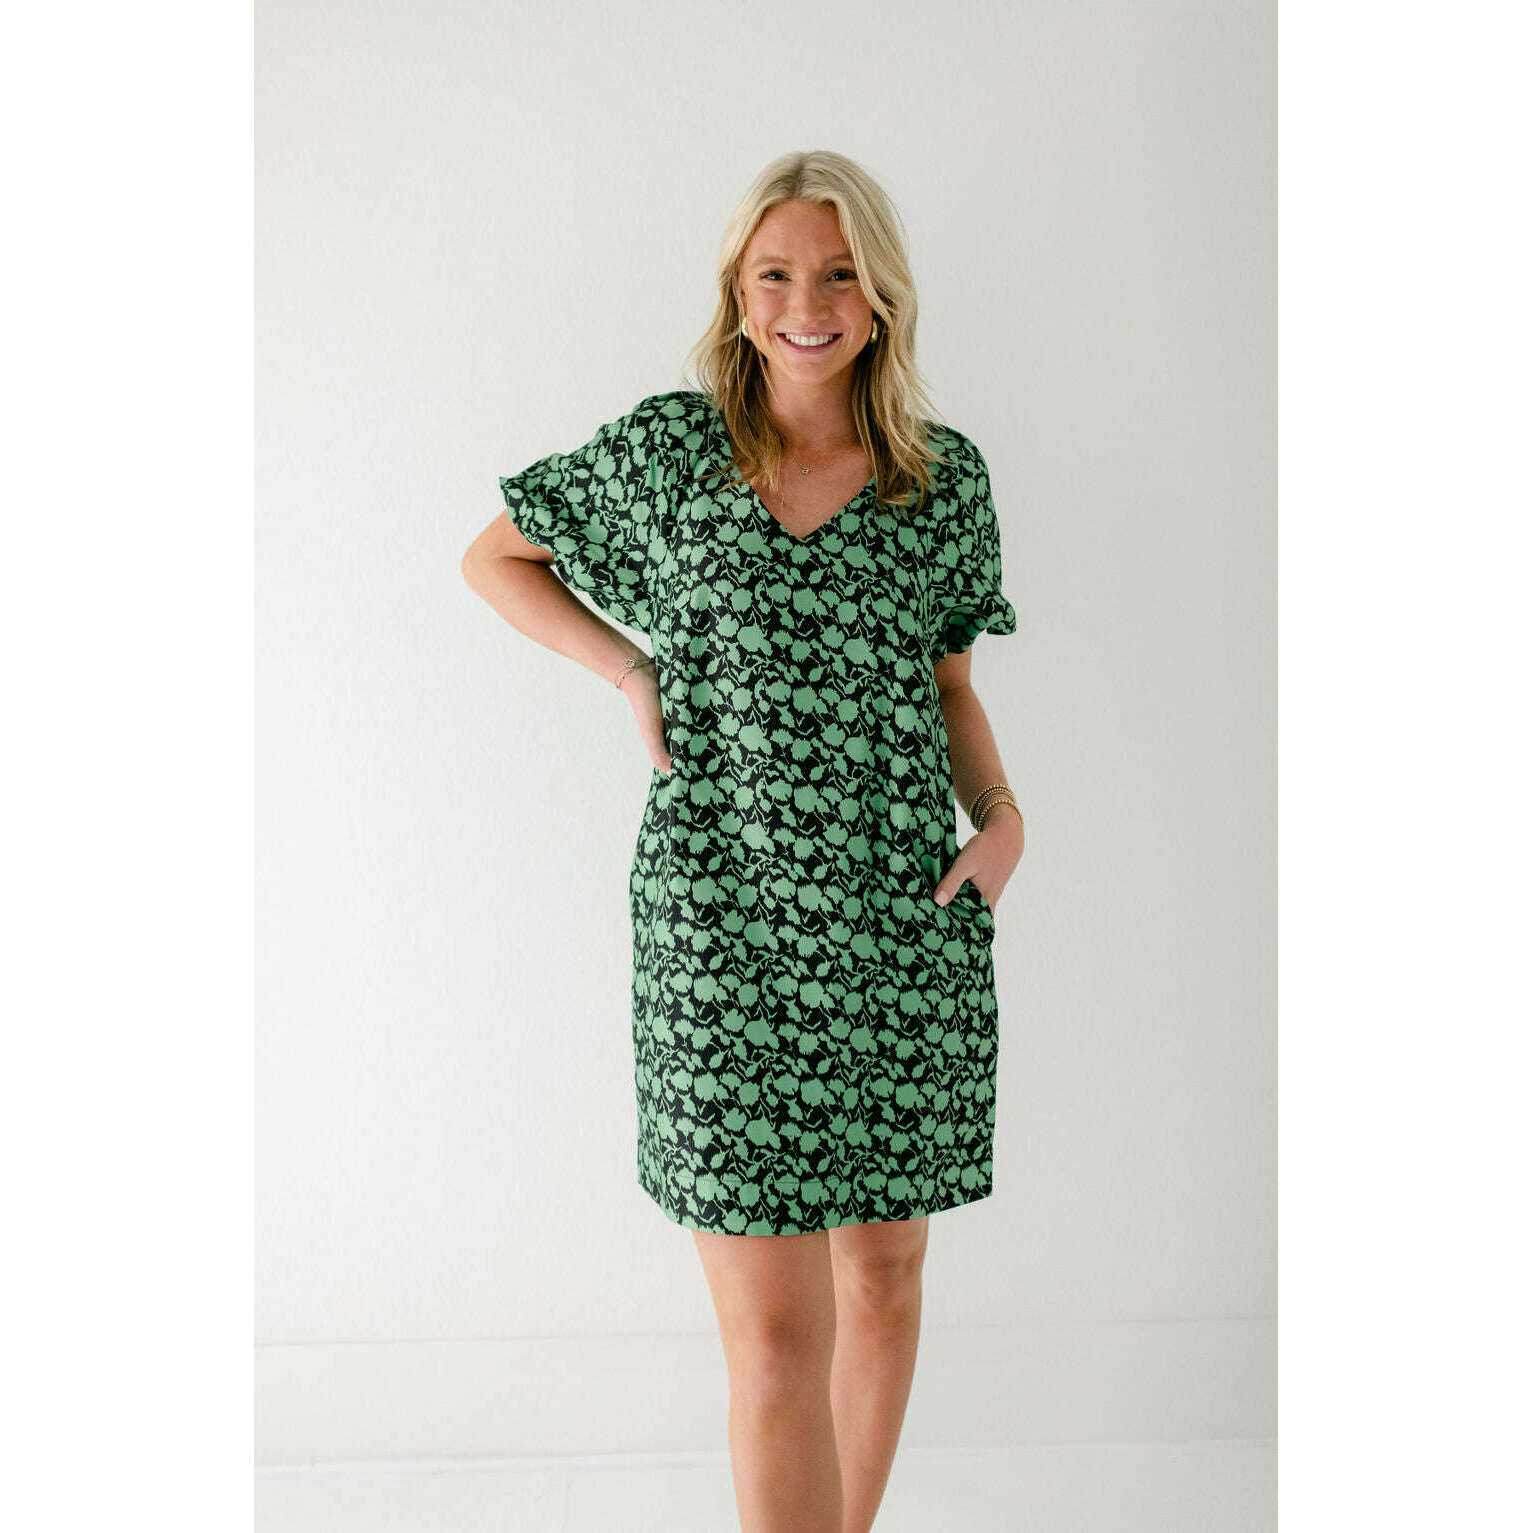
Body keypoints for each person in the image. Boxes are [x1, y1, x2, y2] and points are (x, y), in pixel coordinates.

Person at [462, 149, 1025, 1533]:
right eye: (775, 273)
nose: (805, 304)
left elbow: (951, 684)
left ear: (879, 295)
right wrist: (629, 670)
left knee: (883, 1277)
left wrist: (1003, 820)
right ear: (737, 289)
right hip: (722, 933)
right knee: (774, 1335)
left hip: (899, 922)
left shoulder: (940, 480)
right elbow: (497, 557)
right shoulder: (671, 453)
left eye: (837, 273)